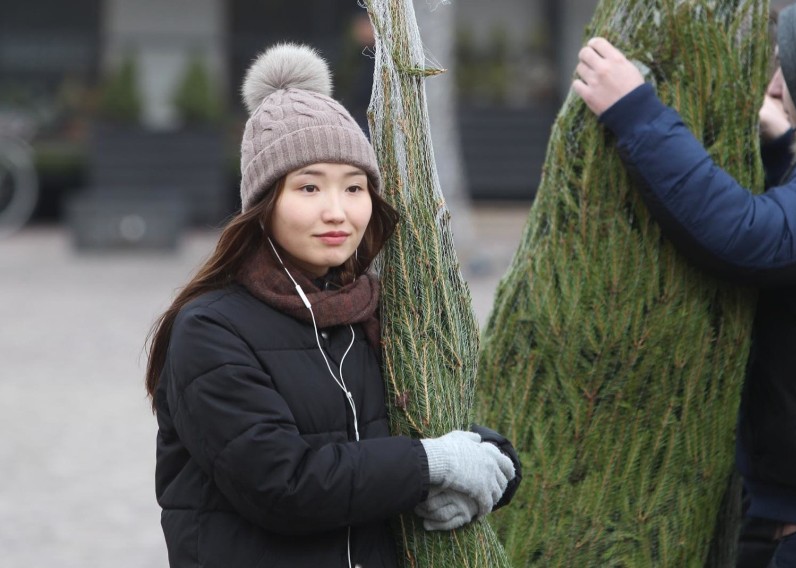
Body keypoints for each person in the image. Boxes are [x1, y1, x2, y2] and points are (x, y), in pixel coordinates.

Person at [145, 42, 520, 568]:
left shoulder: (379, 311)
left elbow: (446, 417)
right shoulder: (211, 329)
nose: (336, 211)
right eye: (308, 187)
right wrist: (431, 463)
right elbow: (282, 483)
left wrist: (492, 465)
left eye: (354, 187)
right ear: (262, 203)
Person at [572, 0, 796, 566]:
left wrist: (635, 111)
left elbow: (754, 237)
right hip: (795, 511)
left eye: (785, 67)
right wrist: (781, 151)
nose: (774, 86)